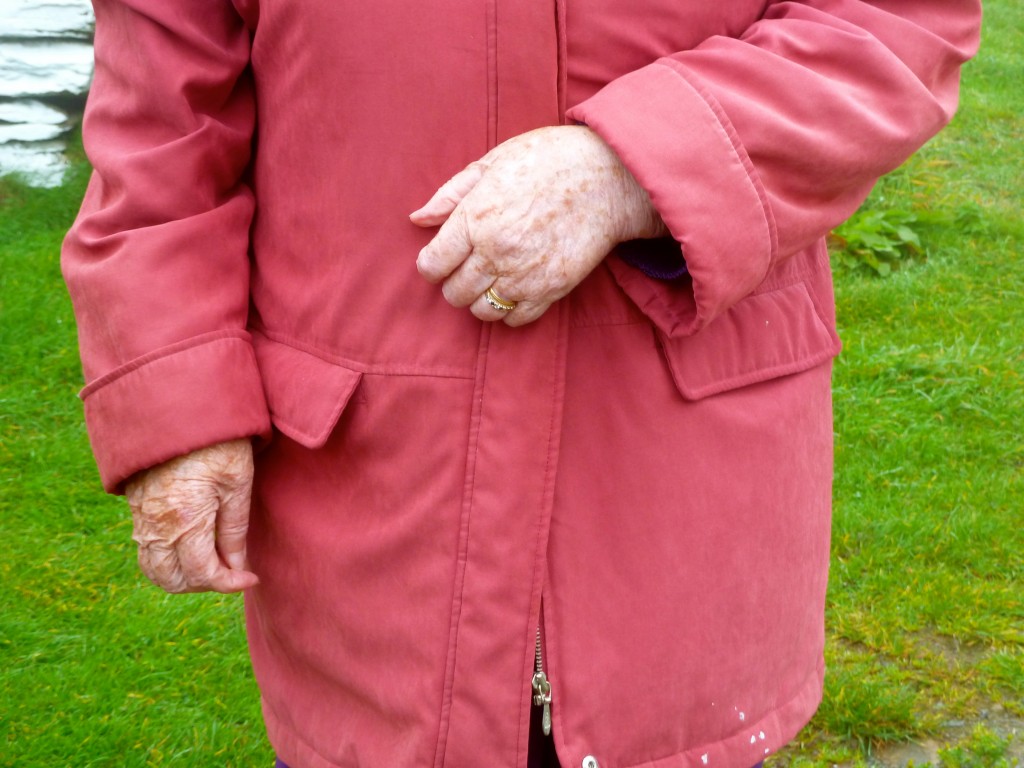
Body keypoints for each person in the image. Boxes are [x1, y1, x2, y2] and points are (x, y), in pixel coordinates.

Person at [62, 1, 981, 766]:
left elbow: (892, 23)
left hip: (682, 489)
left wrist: (637, 167)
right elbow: (161, 127)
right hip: (374, 509)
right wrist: (176, 396)